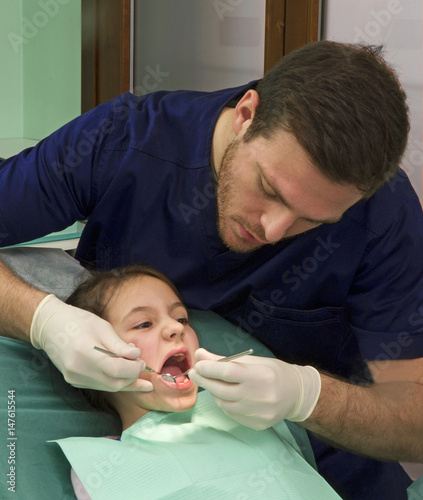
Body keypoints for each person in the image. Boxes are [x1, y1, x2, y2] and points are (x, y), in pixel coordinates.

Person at [0, 40, 421, 499]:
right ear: (246, 114)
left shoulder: (385, 217)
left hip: (324, 465)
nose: (274, 230)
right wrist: (42, 319)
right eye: (269, 189)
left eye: (314, 221)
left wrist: (309, 396)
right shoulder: (121, 141)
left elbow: (413, 418)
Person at [56, 264, 341, 500]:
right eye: (144, 323)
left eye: (181, 318)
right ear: (94, 362)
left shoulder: (247, 411)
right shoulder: (102, 466)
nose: (176, 328)